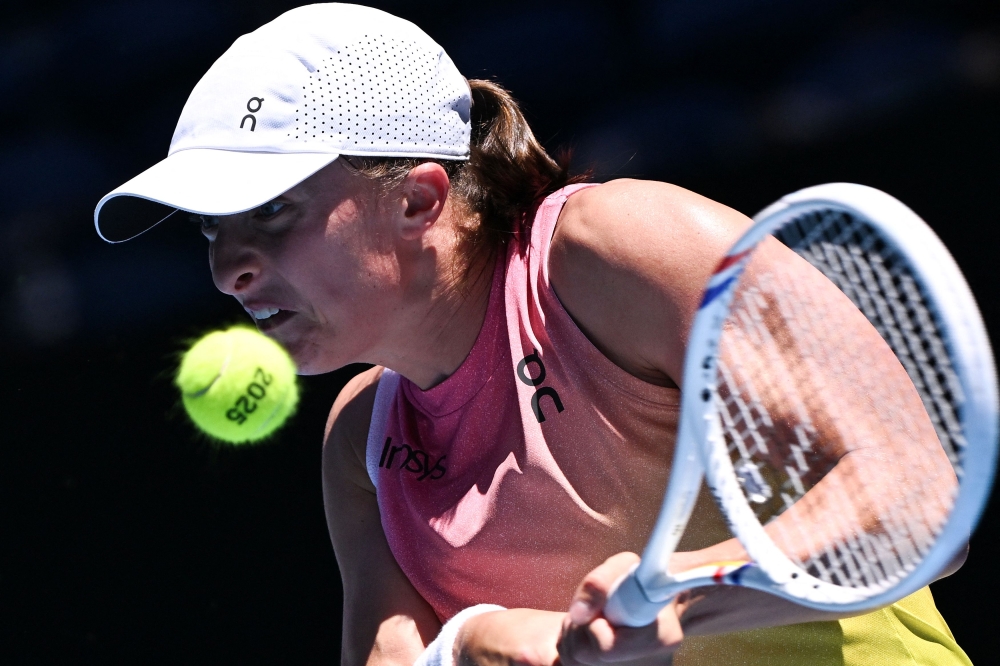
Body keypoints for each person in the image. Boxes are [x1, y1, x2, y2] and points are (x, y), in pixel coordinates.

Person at [94, 4, 971, 665]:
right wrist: (471, 640)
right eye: (211, 231)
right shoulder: (359, 443)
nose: (228, 270)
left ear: (417, 200)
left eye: (273, 212)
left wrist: (684, 600)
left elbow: (924, 506)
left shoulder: (617, 251)